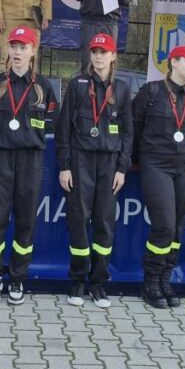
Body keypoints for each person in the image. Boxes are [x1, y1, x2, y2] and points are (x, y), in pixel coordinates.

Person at [0, 25, 58, 306]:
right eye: (14, 46)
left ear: (33, 51)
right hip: (0, 158)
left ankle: (18, 277)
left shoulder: (44, 87)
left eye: (23, 47)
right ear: (8, 50)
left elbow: (52, 125)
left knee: (25, 219)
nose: (17, 52)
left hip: (31, 160)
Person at [55, 33, 133, 308]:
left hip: (110, 164)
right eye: (95, 52)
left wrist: (122, 168)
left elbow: (128, 134)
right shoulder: (77, 85)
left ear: (113, 56)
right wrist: (65, 166)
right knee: (78, 221)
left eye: (104, 52)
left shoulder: (121, 89)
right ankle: (77, 281)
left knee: (105, 223)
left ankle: (98, 282)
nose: (98, 57)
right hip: (81, 161)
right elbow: (63, 129)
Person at [133, 45, 185, 309]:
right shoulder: (151, 92)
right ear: (173, 62)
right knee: (163, 225)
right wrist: (133, 161)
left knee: (178, 226)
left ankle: (166, 279)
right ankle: (151, 281)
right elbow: (134, 127)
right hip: (156, 165)